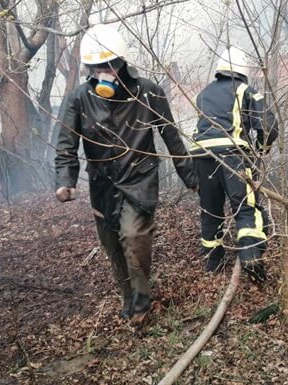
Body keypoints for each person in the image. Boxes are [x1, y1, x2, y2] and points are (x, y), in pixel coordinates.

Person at [54, 24, 197, 324]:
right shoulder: (79, 98)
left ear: (122, 62)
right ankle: (128, 297)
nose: (103, 73)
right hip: (102, 185)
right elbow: (66, 143)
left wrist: (190, 176)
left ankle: (142, 304)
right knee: (112, 245)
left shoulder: (149, 93)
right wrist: (65, 180)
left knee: (133, 237)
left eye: (109, 65)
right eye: (96, 68)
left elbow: (171, 136)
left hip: (139, 180)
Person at [190, 46, 278, 283]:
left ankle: (213, 262)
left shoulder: (203, 93)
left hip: (202, 157)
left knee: (210, 210)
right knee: (245, 208)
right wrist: (261, 151)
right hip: (233, 157)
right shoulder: (246, 91)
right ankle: (250, 256)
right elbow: (268, 127)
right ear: (242, 71)